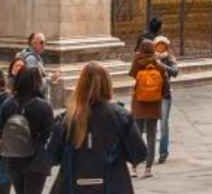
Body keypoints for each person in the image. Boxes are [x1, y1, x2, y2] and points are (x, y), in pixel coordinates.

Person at [45, 62, 148, 193]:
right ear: (107, 83)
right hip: (113, 185)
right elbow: (139, 154)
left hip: (72, 185)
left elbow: (52, 157)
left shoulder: (66, 118)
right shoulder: (120, 116)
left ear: (80, 85)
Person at [0, 66, 55, 194]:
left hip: (13, 158)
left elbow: (1, 131)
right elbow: (49, 134)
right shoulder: (43, 106)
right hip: (36, 160)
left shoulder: (7, 104)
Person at [128, 39, 165, 178]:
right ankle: (148, 168)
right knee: (151, 136)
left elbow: (131, 73)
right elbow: (164, 80)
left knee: (136, 136)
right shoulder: (157, 61)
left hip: (139, 103)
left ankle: (134, 167)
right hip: (154, 105)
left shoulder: (137, 60)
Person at [152, 36, 180, 164]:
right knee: (150, 125)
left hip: (164, 94)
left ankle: (163, 152)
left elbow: (175, 72)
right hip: (151, 94)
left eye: (163, 45)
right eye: (158, 45)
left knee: (163, 124)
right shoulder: (150, 58)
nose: (160, 47)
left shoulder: (169, 58)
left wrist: (161, 65)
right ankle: (149, 152)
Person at [19, 31, 62, 102]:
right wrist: (51, 78)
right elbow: (34, 82)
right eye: (41, 42)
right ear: (33, 43)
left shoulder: (35, 57)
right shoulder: (31, 59)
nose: (44, 45)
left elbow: (40, 75)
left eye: (45, 42)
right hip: (36, 101)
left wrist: (50, 76)